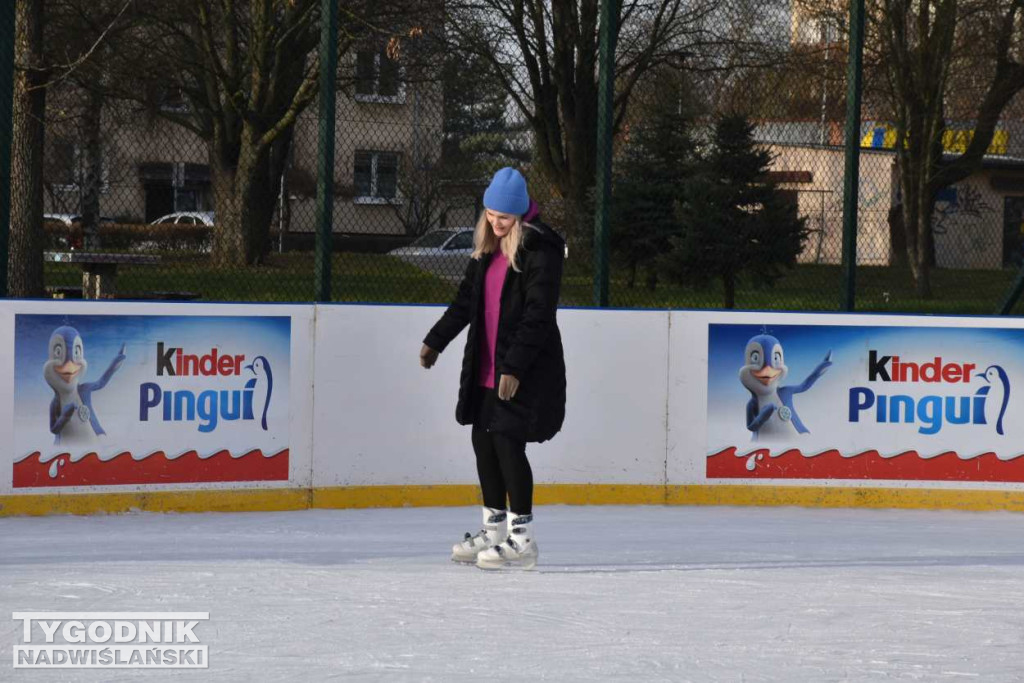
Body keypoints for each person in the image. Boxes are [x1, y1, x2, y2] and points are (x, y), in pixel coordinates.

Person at [419, 167, 566, 570]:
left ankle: (523, 540)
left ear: (520, 215)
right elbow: (466, 301)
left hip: (523, 367)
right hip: (486, 364)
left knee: (507, 444)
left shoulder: (539, 250)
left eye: (504, 217)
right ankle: (494, 530)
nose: (496, 222)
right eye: (490, 214)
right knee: (483, 441)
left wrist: (515, 367)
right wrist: (436, 340)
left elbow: (538, 315)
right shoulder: (487, 250)